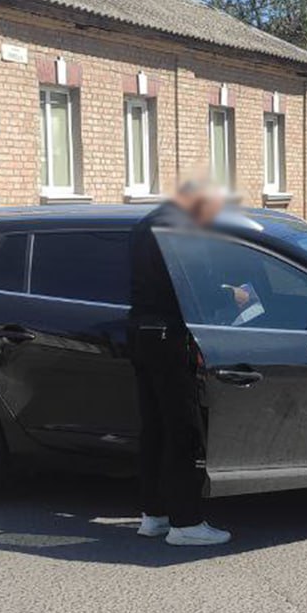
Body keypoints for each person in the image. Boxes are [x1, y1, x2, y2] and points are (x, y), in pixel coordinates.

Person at [129, 180, 231, 546]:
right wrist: (231, 296)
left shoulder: (145, 225)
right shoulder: (180, 230)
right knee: (182, 430)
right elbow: (196, 283)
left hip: (141, 333)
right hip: (170, 336)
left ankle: (153, 515)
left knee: (154, 428)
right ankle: (186, 523)